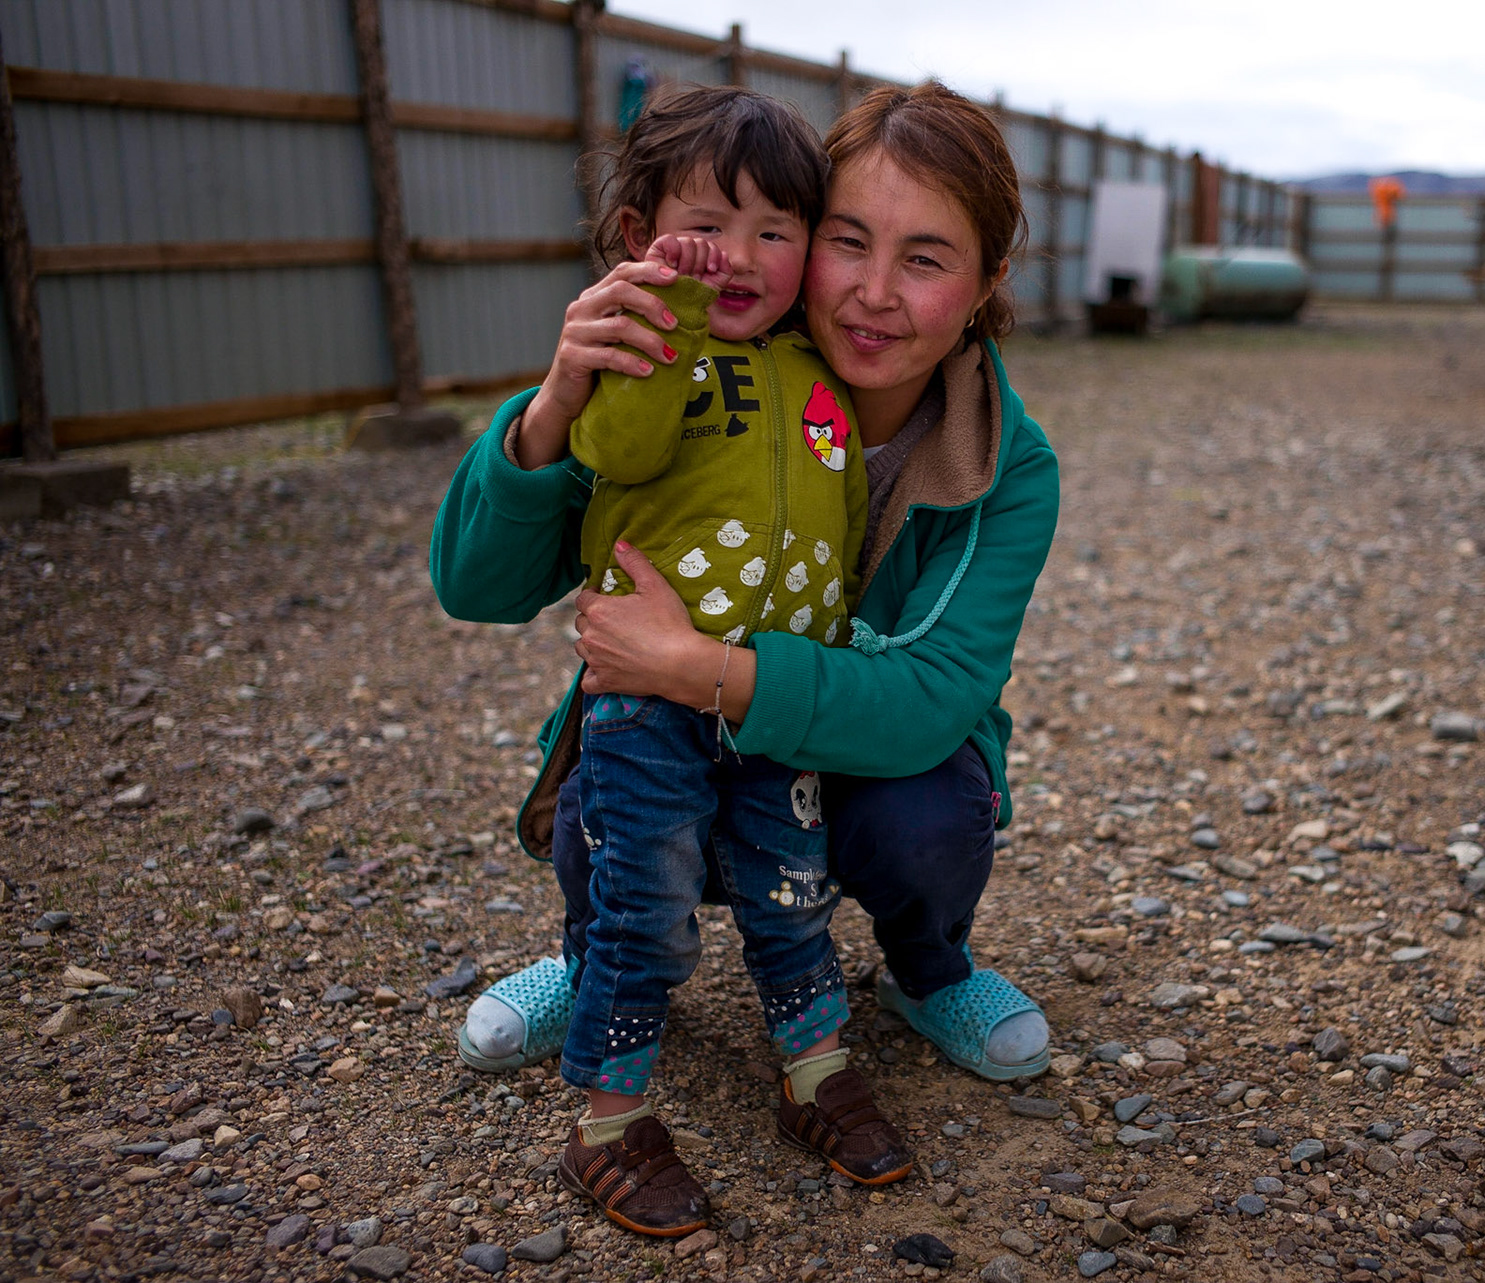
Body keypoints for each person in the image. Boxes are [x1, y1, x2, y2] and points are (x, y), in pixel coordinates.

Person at [430, 77, 1060, 1228]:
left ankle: (929, 970)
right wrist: (557, 401)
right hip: (662, 737)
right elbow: (477, 584)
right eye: (846, 240)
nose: (873, 291)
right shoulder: (673, 369)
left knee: (927, 816)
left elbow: (934, 693)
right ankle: (595, 957)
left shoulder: (1001, 460)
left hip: (855, 756)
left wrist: (697, 667)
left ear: (984, 285)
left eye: (925, 259)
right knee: (610, 792)